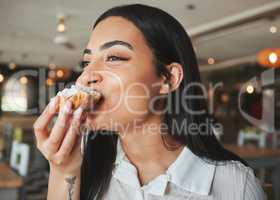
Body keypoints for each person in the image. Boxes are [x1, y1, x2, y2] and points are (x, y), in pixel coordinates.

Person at [33, 4, 267, 200]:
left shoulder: (236, 186)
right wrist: (63, 169)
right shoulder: (81, 163)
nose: (85, 76)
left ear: (168, 78)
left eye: (114, 57)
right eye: (86, 62)